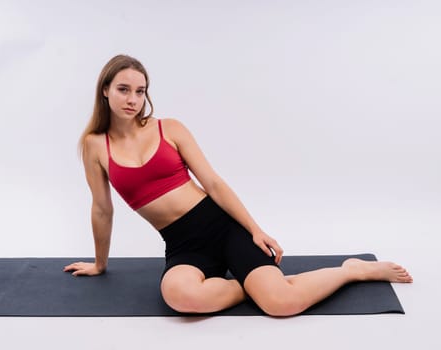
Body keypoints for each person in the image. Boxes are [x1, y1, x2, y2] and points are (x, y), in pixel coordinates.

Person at [64, 54, 412, 317]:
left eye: (140, 91)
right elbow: (101, 208)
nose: (132, 99)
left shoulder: (168, 128)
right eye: (124, 89)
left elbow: (213, 183)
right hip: (183, 244)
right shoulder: (95, 145)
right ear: (105, 90)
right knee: (179, 297)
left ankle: (351, 271)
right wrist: (99, 264)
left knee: (281, 304)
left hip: (222, 227)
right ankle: (248, 286)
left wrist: (254, 230)